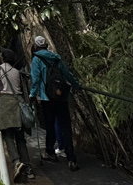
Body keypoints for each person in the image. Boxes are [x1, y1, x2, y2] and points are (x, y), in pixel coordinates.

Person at [29, 35, 82, 171]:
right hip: (62, 97)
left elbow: (35, 79)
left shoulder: (36, 59)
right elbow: (67, 74)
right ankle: (71, 158)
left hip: (47, 99)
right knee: (66, 127)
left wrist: (32, 95)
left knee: (50, 126)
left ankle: (50, 152)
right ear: (46, 45)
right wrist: (76, 86)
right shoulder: (56, 58)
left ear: (36, 46)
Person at [0, 48, 36, 181]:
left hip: (6, 104)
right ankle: (28, 167)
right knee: (20, 137)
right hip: (18, 102)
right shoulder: (16, 71)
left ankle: (16, 162)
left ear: (2, 57)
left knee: (8, 135)